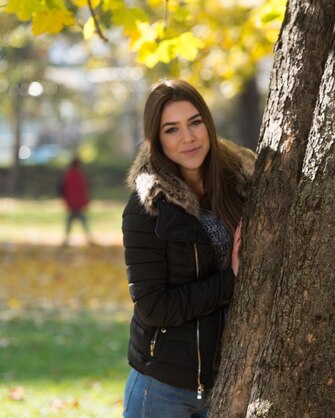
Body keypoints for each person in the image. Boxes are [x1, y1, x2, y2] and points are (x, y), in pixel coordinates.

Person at [121, 79, 254, 418]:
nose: (189, 137)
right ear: (156, 140)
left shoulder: (243, 185)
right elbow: (154, 306)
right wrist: (231, 280)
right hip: (162, 388)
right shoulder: (147, 207)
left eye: (195, 122)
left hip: (230, 382)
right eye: (172, 129)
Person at [60, 156, 93, 246]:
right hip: (75, 204)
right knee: (81, 221)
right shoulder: (75, 176)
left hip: (74, 203)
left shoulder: (70, 175)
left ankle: (67, 240)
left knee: (73, 222)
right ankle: (88, 238)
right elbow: (75, 191)